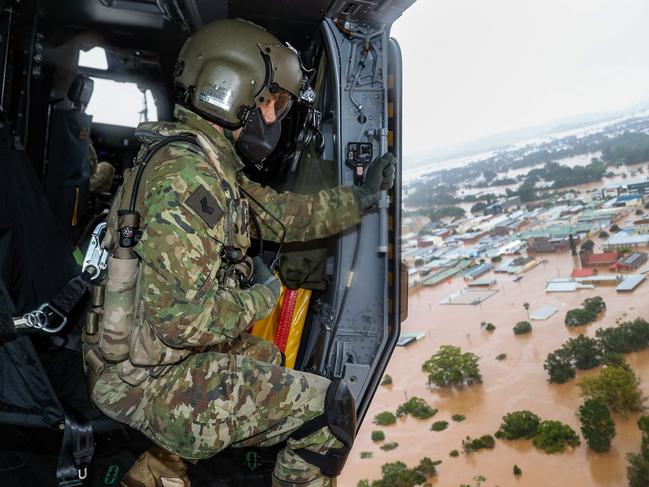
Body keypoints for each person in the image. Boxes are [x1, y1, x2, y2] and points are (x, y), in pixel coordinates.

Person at [82, 19, 395, 487]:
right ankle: (170, 446)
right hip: (137, 380)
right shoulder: (190, 180)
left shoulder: (200, 162)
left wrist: (363, 198)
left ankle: (156, 471)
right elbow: (182, 323)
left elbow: (285, 216)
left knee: (263, 358)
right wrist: (262, 296)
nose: (274, 118)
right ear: (229, 91)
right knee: (327, 412)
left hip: (139, 355)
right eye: (274, 103)